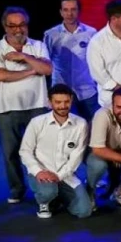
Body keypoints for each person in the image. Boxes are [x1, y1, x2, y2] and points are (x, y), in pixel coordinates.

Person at [0, 6, 52, 203]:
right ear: (5, 27)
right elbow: (2, 75)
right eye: (13, 25)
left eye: (22, 24)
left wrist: (25, 57)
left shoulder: (38, 45)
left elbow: (47, 69)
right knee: (11, 153)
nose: (18, 30)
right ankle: (17, 190)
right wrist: (32, 70)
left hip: (38, 106)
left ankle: (46, 189)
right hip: (7, 108)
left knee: (42, 151)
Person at [18, 84, 91, 219]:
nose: (62, 106)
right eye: (58, 102)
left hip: (65, 175)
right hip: (41, 173)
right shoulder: (37, 122)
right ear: (49, 102)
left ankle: (58, 197)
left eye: (66, 102)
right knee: (48, 192)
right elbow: (25, 151)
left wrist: (59, 176)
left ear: (71, 100)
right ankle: (45, 202)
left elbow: (77, 155)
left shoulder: (81, 124)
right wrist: (38, 171)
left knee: (84, 211)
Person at [43, 0, 99, 121]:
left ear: (78, 11)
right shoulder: (51, 34)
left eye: (73, 9)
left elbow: (97, 60)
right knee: (61, 126)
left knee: (94, 126)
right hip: (61, 89)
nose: (70, 14)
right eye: (66, 10)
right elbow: (46, 63)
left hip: (87, 89)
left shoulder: (91, 33)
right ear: (60, 12)